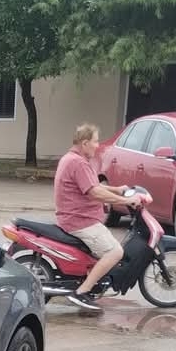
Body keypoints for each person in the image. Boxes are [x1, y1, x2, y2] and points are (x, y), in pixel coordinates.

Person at [54, 123, 141, 311]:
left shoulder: (71, 159)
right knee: (115, 252)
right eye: (95, 141)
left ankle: (90, 282)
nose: (98, 145)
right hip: (80, 221)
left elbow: (92, 185)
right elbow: (95, 192)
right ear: (85, 143)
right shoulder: (78, 163)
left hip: (74, 218)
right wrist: (126, 201)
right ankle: (82, 292)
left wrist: (117, 189)